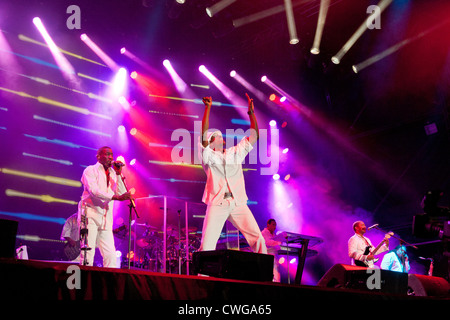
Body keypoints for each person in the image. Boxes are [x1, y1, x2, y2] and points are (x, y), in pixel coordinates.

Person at [197, 94, 267, 254]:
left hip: (238, 203)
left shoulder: (234, 152)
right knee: (207, 246)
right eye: (215, 137)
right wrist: (207, 109)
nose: (219, 138)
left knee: (258, 239)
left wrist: (251, 114)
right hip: (217, 203)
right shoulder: (207, 157)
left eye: (220, 136)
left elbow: (254, 136)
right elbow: (203, 135)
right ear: (210, 142)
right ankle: (203, 278)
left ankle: (266, 277)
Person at [78, 146, 133, 268]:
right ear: (98, 157)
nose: (110, 157)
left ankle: (109, 283)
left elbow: (122, 193)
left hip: (106, 219)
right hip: (90, 215)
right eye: (107, 154)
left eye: (112, 155)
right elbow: (94, 191)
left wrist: (119, 174)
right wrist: (115, 197)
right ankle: (84, 283)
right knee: (88, 253)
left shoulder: (113, 173)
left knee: (111, 256)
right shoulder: (90, 170)